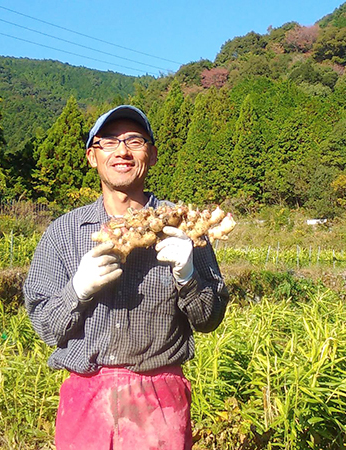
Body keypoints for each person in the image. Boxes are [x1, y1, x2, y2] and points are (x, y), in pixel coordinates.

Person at [23, 105, 230, 450]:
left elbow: (209, 319)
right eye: (108, 141)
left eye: (134, 140)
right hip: (85, 399)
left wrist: (189, 275)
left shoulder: (184, 227)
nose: (122, 150)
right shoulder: (63, 233)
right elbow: (45, 327)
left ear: (152, 153)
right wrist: (76, 290)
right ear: (92, 156)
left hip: (159, 400)